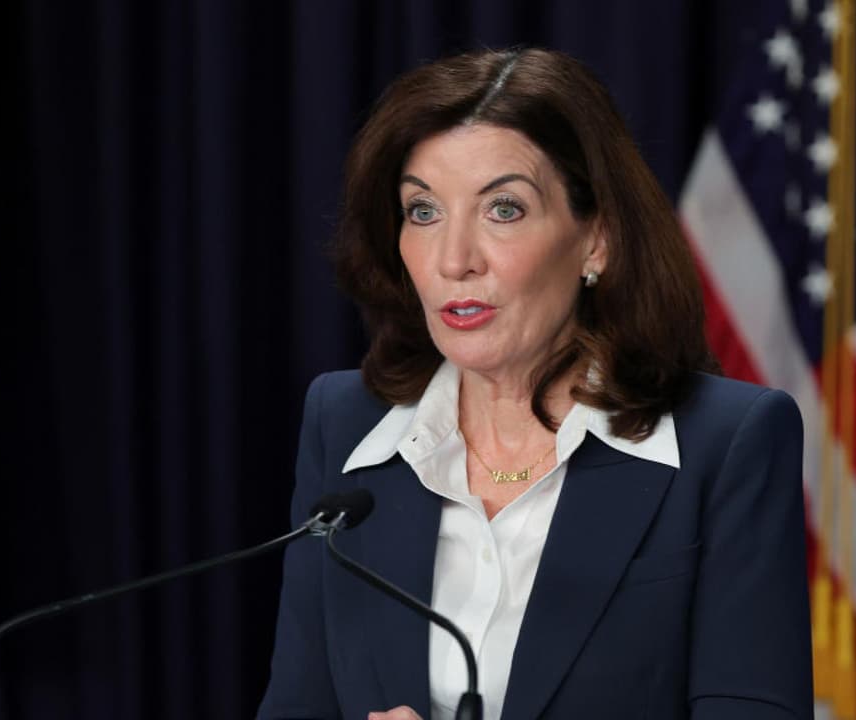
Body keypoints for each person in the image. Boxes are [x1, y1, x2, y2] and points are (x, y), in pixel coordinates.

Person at [258, 48, 812, 720]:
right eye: (423, 211)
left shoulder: (726, 444)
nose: (454, 260)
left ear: (597, 239)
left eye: (503, 209)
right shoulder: (345, 424)